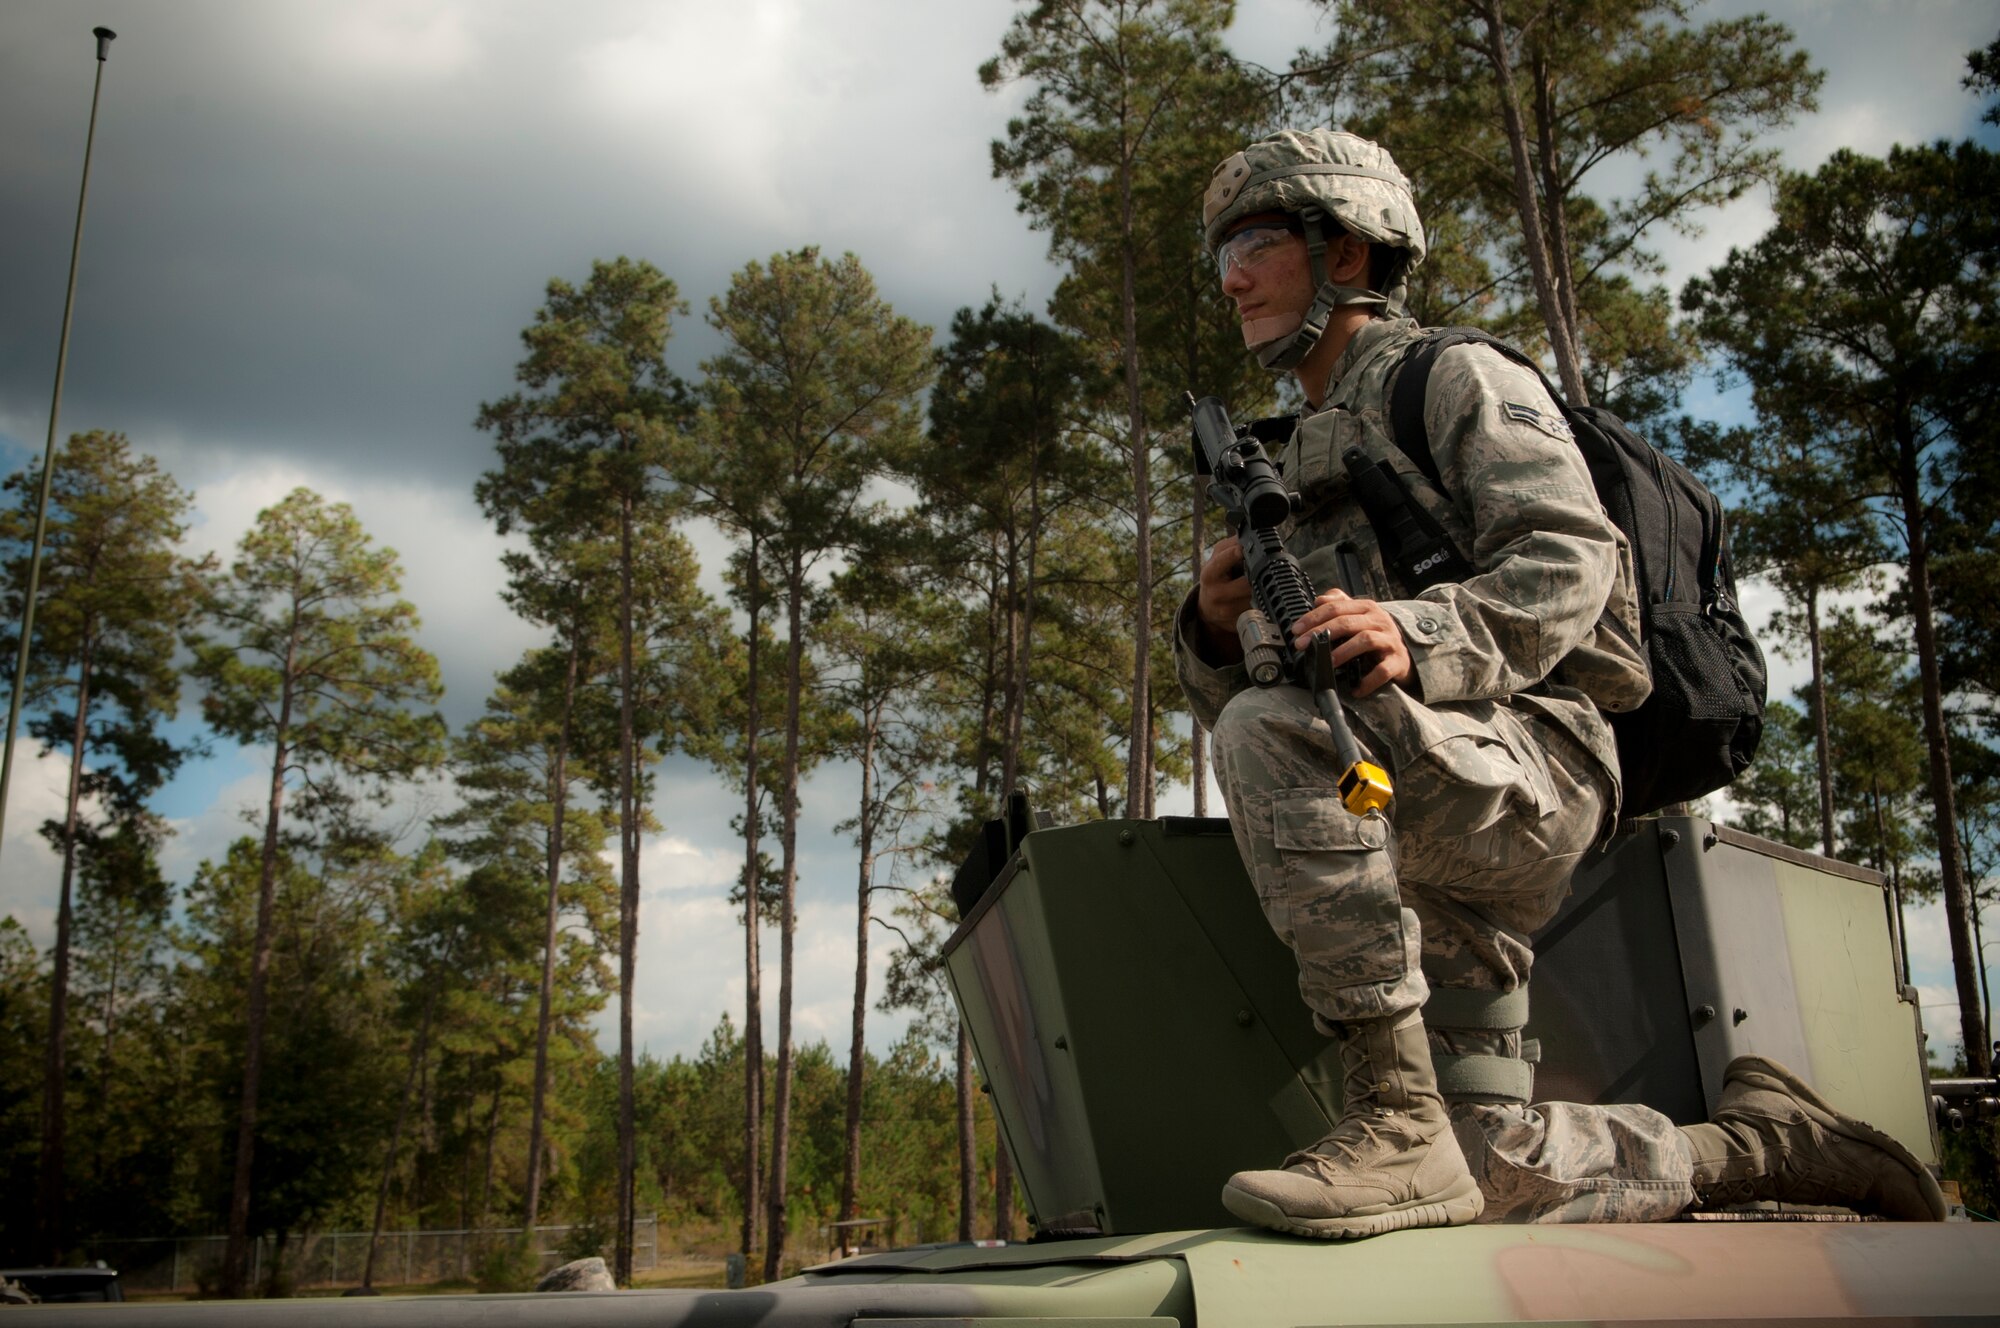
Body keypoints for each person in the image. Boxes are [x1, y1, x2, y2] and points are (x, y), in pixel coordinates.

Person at [1176, 127, 1946, 1238]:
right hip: (1393, 800)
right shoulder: (1283, 454)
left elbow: (1571, 562)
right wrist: (1211, 629)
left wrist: (1414, 628)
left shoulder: (1451, 377)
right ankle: (1766, 1145)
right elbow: (1258, 698)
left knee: (1270, 733)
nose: (1232, 276)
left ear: (1343, 250)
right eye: (1221, 255)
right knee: (1489, 1169)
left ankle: (1390, 1114)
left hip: (1537, 757)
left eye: (1253, 241)